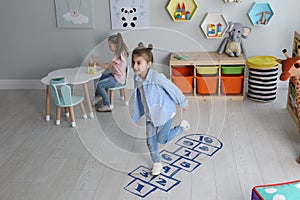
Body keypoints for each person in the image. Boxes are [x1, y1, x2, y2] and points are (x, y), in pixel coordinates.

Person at [131, 42, 190, 176]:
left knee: (161, 140)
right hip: (150, 116)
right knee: (150, 141)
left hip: (165, 114)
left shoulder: (157, 78)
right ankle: (157, 162)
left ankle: (181, 127)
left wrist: (183, 102)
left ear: (149, 63)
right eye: (133, 62)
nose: (135, 66)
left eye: (139, 63)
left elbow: (173, 89)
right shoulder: (137, 78)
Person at [90, 33, 129, 112]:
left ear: (116, 46)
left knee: (100, 85)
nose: (109, 47)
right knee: (99, 77)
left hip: (118, 80)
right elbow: (109, 64)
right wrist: (98, 63)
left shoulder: (118, 56)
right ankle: (99, 96)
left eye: (110, 46)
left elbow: (107, 67)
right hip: (116, 76)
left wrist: (97, 61)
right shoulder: (119, 54)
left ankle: (107, 105)